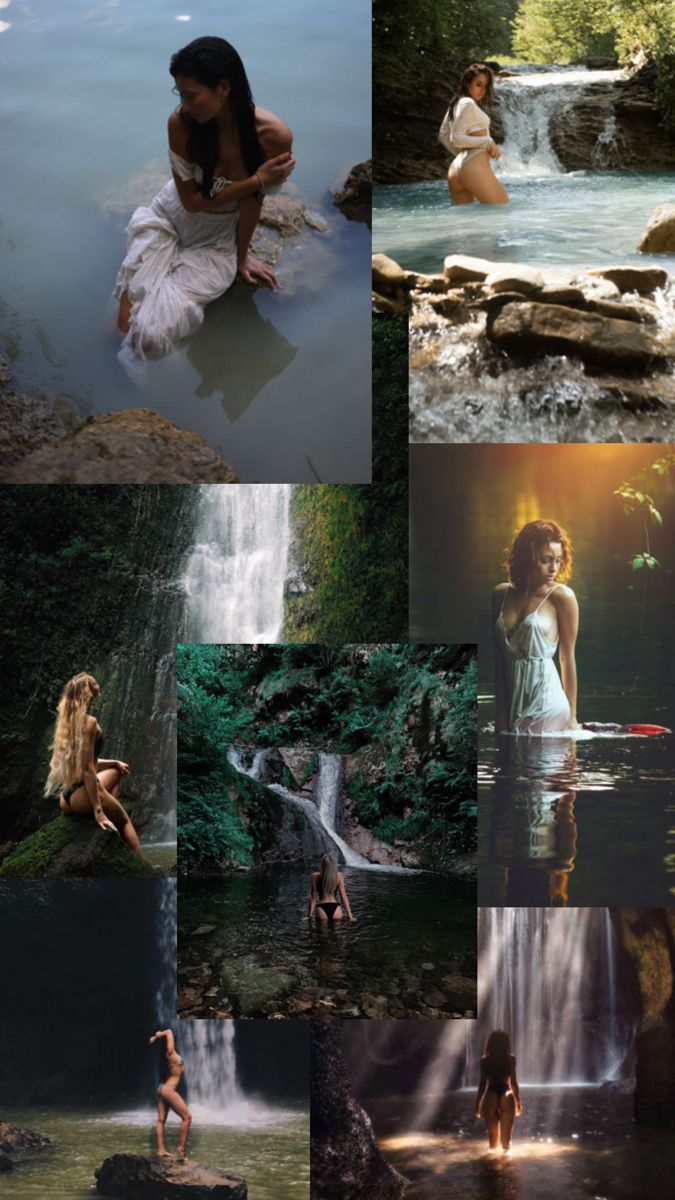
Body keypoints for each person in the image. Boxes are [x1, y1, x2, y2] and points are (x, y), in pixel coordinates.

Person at [115, 36, 295, 361]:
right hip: (169, 218)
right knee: (124, 323)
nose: (184, 105)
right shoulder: (180, 124)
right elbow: (191, 202)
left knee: (150, 340)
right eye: (180, 95)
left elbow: (253, 202)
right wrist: (256, 179)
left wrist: (240, 258)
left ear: (223, 88)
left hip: (215, 241)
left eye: (190, 96)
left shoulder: (272, 136)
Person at [492, 520, 580, 735]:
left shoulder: (562, 597)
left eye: (558, 560)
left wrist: (572, 718)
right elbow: (498, 661)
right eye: (545, 560)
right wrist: (501, 718)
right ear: (526, 558)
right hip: (513, 705)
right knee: (513, 759)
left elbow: (567, 658)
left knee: (530, 760)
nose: (554, 568)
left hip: (547, 701)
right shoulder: (500, 595)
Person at [44, 672, 143, 855]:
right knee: (125, 821)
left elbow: (85, 763)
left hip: (66, 799)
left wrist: (114, 761)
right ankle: (145, 872)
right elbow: (89, 769)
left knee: (116, 768)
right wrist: (99, 812)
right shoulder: (89, 722)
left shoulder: (67, 721)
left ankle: (110, 805)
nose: (98, 687)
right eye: (94, 686)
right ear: (88, 694)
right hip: (83, 798)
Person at [442, 64, 509, 206]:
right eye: (479, 85)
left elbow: (443, 135)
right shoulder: (467, 103)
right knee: (502, 210)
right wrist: (488, 142)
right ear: (467, 82)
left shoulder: (456, 103)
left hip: (456, 169)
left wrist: (463, 161)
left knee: (465, 224)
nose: (483, 91)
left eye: (485, 86)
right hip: (473, 166)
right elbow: (456, 138)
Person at [474, 1029, 522, 1151]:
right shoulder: (511, 1059)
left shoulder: (485, 1060)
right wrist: (518, 1102)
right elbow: (513, 1082)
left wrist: (477, 1105)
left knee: (493, 1141)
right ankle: (507, 1166)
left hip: (491, 1094)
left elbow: (482, 1084)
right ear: (506, 1044)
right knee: (507, 1142)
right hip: (507, 1093)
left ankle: (492, 1167)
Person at [150, 1028, 192, 1159]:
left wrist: (155, 1037)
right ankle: (181, 1148)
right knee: (187, 1117)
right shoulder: (171, 1053)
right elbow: (168, 1031)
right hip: (168, 1089)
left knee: (161, 1120)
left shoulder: (173, 1056)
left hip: (163, 1088)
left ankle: (161, 1150)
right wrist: (158, 1035)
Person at [307, 853, 356, 923]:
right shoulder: (339, 876)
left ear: (322, 865)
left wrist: (309, 916)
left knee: (322, 934)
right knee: (337, 933)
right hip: (336, 910)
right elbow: (343, 897)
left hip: (321, 909)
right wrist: (350, 916)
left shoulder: (315, 876)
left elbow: (313, 898)